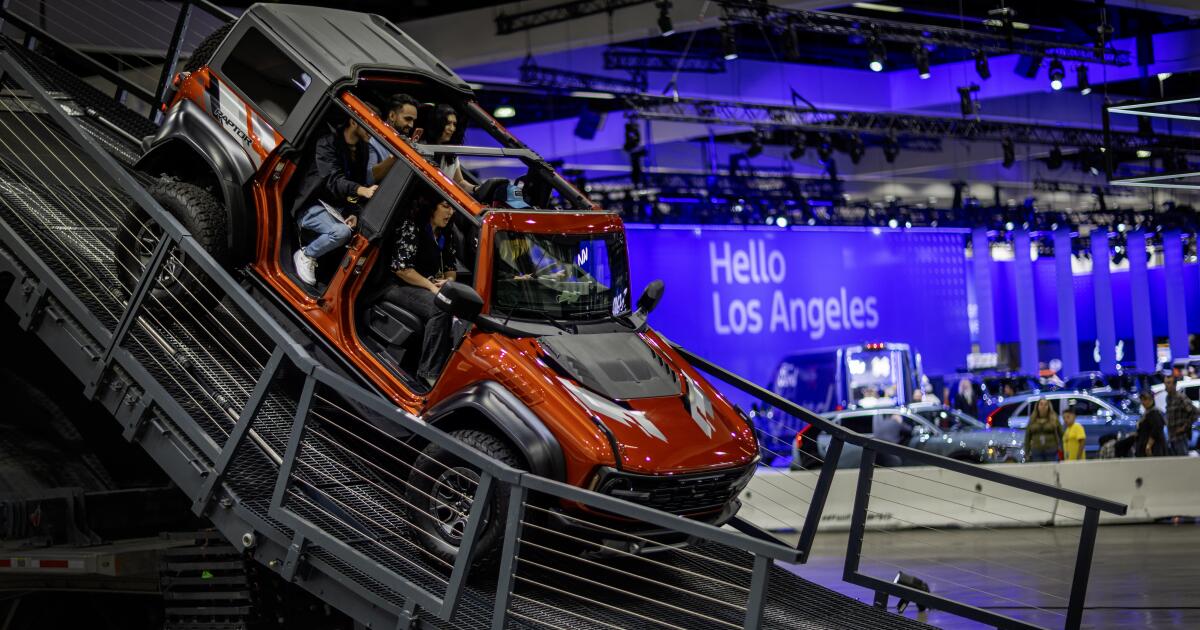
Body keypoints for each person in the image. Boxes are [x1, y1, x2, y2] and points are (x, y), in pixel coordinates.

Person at [291, 114, 376, 285]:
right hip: (311, 206)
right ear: (353, 122)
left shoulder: (362, 150)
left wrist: (353, 212)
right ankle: (306, 254)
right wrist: (362, 190)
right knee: (341, 232)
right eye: (369, 126)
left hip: (337, 210)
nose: (373, 133)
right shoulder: (327, 142)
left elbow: (355, 183)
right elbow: (333, 180)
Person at [382, 194, 457, 387]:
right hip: (397, 285)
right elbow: (402, 269)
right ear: (432, 207)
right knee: (440, 308)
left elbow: (450, 267)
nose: (451, 212)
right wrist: (432, 286)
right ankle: (428, 373)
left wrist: (447, 283)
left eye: (452, 208)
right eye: (446, 206)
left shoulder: (446, 232)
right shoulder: (412, 226)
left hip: (426, 285)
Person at [418, 103, 475, 194]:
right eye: (448, 123)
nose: (452, 129)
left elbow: (460, 182)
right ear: (437, 123)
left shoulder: (450, 153)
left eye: (454, 124)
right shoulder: (420, 148)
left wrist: (476, 189)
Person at [367, 93, 421, 184]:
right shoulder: (373, 141)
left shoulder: (402, 140)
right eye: (407, 119)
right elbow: (370, 177)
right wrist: (399, 153)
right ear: (392, 116)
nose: (411, 125)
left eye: (413, 121)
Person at [1163, 374, 1196, 456]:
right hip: (1171, 437)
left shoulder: (1180, 397)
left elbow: (1195, 412)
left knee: (1183, 463)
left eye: (1169, 383)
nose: (1166, 385)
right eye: (1165, 383)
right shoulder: (1168, 398)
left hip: (1181, 438)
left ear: (1174, 384)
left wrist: (1184, 427)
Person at [1022, 398, 1062, 463]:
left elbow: (1061, 434)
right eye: (1041, 404)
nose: (1043, 406)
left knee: (1051, 471)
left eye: (1046, 404)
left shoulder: (1054, 417)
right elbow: (1027, 437)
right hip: (1036, 450)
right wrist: (1027, 453)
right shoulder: (1032, 419)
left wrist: (1062, 448)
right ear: (1037, 406)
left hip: (1051, 450)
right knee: (1038, 471)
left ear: (1049, 406)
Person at [1136, 389, 1167, 457]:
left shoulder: (1155, 413)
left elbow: (1157, 429)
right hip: (1145, 446)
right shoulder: (1147, 413)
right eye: (1142, 400)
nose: (1143, 402)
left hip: (1154, 448)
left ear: (1151, 399)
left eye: (1145, 399)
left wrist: (1149, 445)